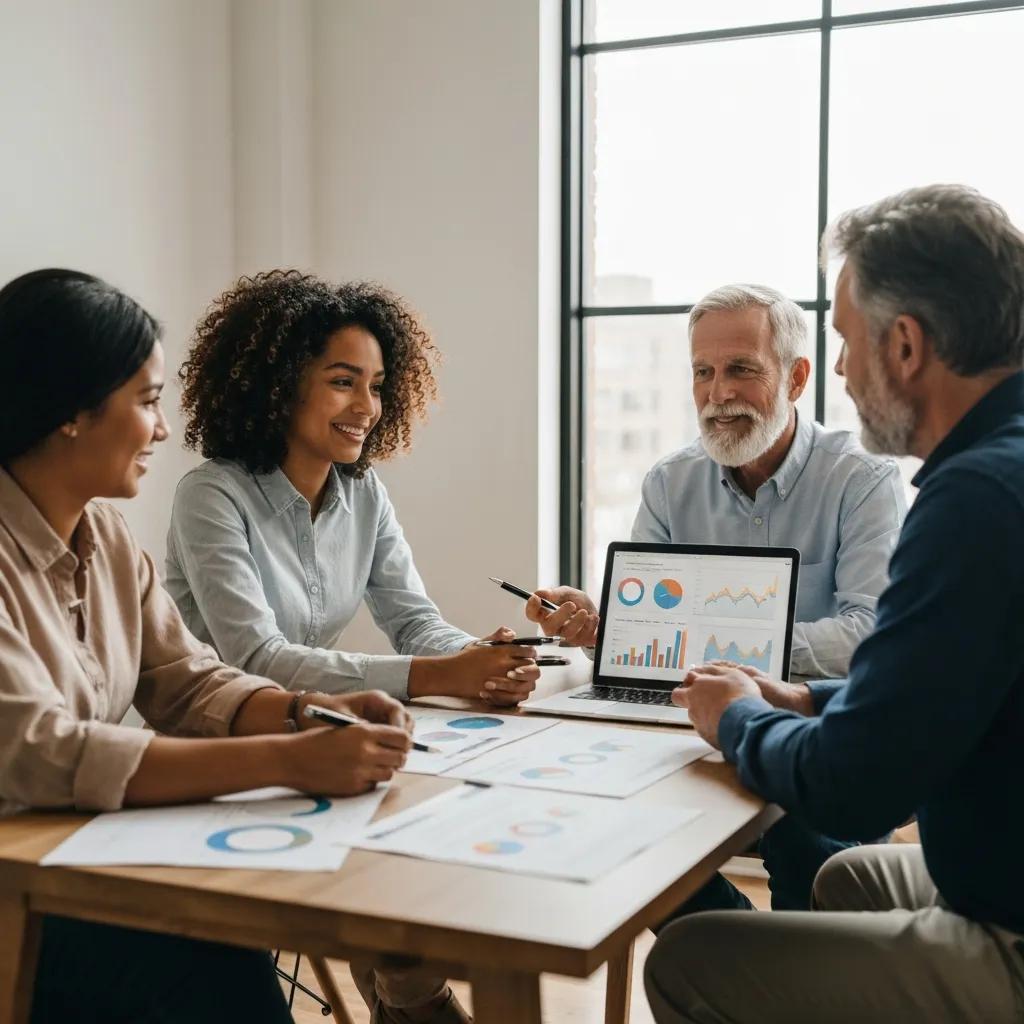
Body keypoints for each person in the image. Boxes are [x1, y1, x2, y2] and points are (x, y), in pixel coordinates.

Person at [647, 184, 1024, 1023]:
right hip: (1000, 861)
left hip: (1008, 925)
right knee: (841, 879)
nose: (846, 373)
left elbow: (858, 787)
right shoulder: (1002, 464)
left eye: (849, 345)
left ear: (907, 344)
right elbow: (934, 687)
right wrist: (809, 698)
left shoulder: (974, 498)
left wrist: (741, 716)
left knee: (689, 958)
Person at [0, 269, 418, 1024]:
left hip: (69, 863)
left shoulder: (106, 540)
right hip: (18, 901)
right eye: (147, 401)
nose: (162, 430)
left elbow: (187, 681)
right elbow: (39, 749)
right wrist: (289, 758)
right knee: (214, 962)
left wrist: (305, 713)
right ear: (70, 409)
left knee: (232, 944)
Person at [527, 283, 907, 912]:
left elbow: (869, 635)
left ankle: (767, 977)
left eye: (741, 370)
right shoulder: (670, 483)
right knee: (602, 823)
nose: (718, 394)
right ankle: (739, 970)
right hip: (681, 732)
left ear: (796, 377)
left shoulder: (862, 479)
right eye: (702, 372)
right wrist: (607, 626)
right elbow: (644, 632)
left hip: (813, 735)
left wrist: (732, 650)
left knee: (805, 842)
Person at [165, 271, 538, 709]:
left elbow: (414, 623)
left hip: (308, 730)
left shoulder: (364, 492)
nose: (367, 407)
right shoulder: (211, 496)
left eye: (376, 387)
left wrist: (481, 658)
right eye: (343, 382)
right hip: (210, 742)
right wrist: (441, 674)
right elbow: (257, 660)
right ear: (280, 388)